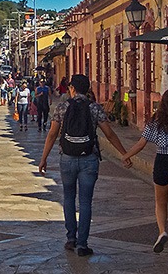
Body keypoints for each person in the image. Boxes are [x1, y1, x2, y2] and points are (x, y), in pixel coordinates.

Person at [39, 74, 132, 257]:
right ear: (88, 89)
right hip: (89, 158)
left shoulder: (63, 107)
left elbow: (51, 134)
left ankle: (70, 238)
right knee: (85, 201)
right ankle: (83, 244)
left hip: (67, 158)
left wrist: (44, 159)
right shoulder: (94, 108)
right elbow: (110, 134)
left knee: (68, 197)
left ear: (72, 88)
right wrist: (124, 153)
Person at [120, 89, 168, 261]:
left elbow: (141, 144)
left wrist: (126, 156)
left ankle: (162, 231)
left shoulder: (155, 121)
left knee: (160, 202)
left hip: (162, 161)